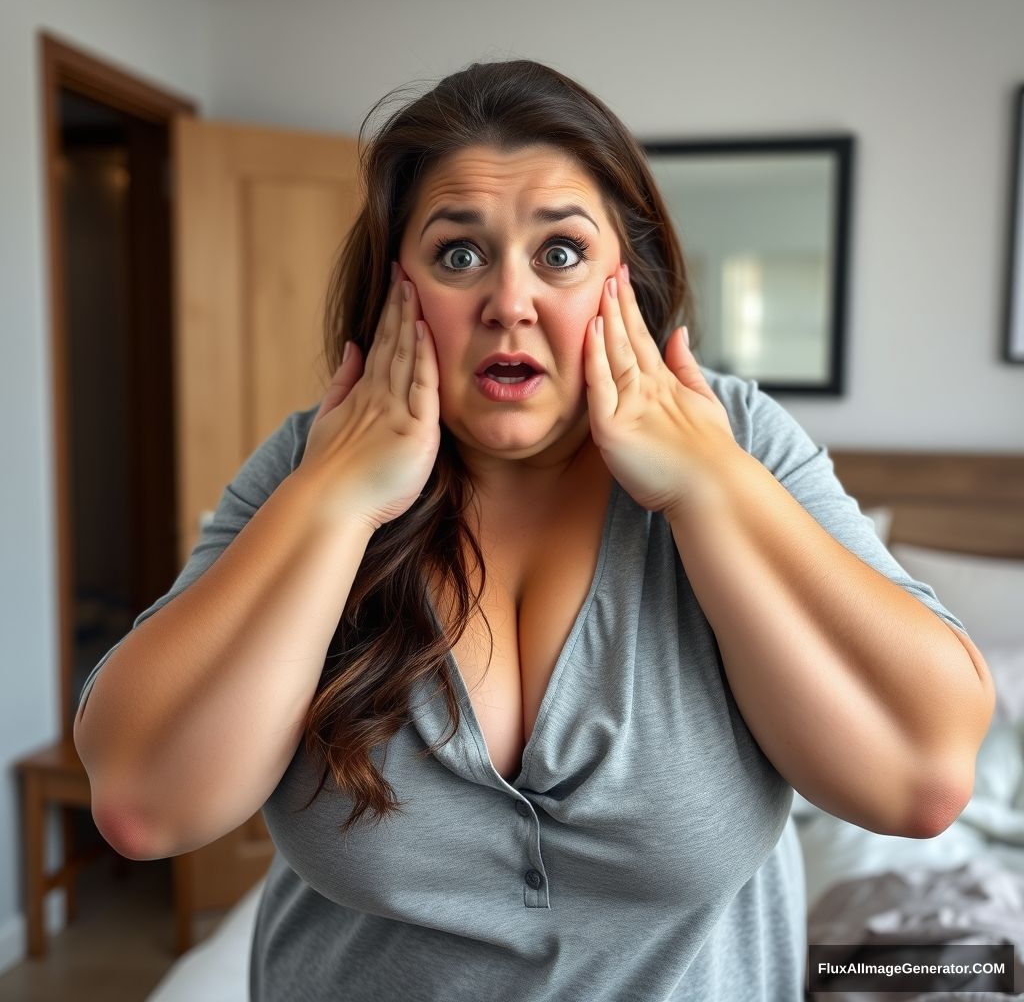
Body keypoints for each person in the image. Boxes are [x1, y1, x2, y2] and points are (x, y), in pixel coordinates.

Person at [74, 59, 995, 1001]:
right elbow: (146, 806)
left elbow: (922, 779)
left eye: (558, 254)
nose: (509, 301)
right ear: (401, 290)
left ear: (622, 282)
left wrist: (708, 486)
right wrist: (337, 500)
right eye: (459, 254)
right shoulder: (318, 460)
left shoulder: (740, 440)